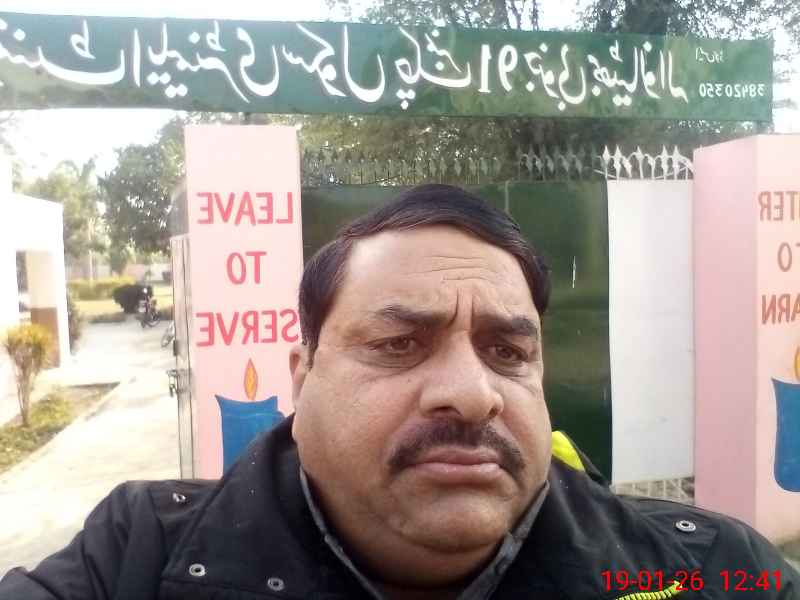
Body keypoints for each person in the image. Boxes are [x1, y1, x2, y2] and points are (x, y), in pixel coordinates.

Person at [1, 184, 797, 599]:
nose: (472, 394)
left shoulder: (709, 571)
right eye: (398, 344)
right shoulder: (135, 560)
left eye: (508, 351)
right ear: (302, 377)